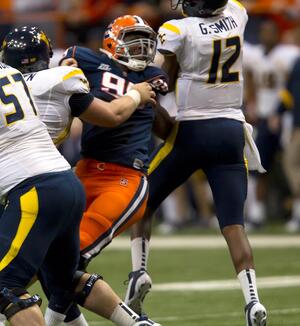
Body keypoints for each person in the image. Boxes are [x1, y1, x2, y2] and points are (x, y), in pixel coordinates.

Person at [0, 27, 160, 326]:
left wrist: (135, 95)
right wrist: (136, 93)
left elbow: (112, 115)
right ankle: (138, 324)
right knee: (62, 276)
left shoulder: (32, 78)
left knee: (6, 284)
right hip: (65, 181)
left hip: (29, 187)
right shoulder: (55, 77)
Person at [125, 1, 268, 325]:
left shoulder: (178, 30)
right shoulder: (236, 14)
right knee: (234, 225)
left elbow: (159, 78)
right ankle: (253, 301)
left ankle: (139, 272)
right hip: (232, 130)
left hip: (193, 130)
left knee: (141, 200)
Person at [243, 20, 299, 229]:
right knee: (259, 165)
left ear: (277, 34)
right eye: (264, 32)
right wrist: (251, 103)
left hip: (285, 116)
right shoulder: (255, 55)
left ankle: (296, 213)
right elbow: (248, 74)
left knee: (292, 165)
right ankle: (256, 214)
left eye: (271, 32)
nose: (267, 36)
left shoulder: (288, 53)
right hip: (264, 117)